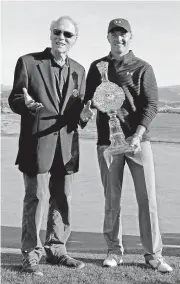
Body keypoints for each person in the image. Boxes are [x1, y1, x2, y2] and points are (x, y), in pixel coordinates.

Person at [84, 18, 173, 272]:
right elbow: (89, 101)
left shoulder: (143, 67)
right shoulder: (97, 67)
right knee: (112, 200)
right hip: (107, 142)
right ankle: (114, 250)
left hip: (137, 142)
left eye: (123, 34)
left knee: (148, 200)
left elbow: (152, 105)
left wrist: (138, 133)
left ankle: (154, 254)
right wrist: (86, 109)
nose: (118, 38)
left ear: (130, 36)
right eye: (114, 34)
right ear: (108, 37)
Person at [8, 16, 93, 276]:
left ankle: (57, 250)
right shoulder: (28, 62)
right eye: (58, 32)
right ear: (50, 33)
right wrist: (26, 105)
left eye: (68, 34)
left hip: (66, 146)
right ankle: (30, 256)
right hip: (36, 144)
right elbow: (14, 99)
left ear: (74, 40)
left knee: (62, 199)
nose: (62, 38)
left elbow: (77, 112)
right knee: (35, 198)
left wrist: (85, 116)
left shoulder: (79, 70)